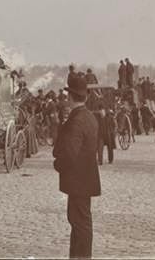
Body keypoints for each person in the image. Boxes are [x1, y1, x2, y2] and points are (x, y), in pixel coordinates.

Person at [53, 72, 100, 259]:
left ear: (71, 97)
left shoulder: (76, 120)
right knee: (80, 222)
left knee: (79, 223)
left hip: (78, 181)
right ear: (86, 96)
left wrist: (58, 164)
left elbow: (69, 154)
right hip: (86, 179)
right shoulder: (89, 117)